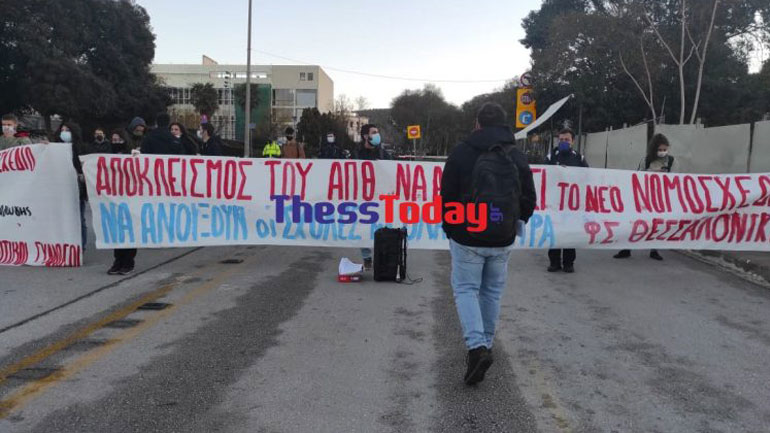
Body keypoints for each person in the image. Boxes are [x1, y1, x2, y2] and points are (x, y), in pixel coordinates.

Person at [441, 102, 537, 385]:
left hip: (466, 234)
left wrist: (451, 227)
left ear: (477, 123)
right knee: (492, 292)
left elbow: (447, 195)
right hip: (502, 236)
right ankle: (486, 344)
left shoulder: (461, 152)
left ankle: (477, 348)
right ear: (505, 124)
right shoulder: (516, 155)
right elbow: (529, 197)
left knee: (466, 290)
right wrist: (516, 221)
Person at [614, 133, 674, 261]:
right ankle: (626, 248)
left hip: (661, 199)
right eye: (660, 149)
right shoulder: (646, 161)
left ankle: (654, 250)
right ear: (654, 149)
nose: (663, 152)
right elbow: (637, 177)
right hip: (644, 197)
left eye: (665, 149)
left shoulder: (671, 161)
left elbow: (677, 179)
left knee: (656, 224)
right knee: (635, 223)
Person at [545, 128, 588, 273]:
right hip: (554, 202)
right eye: (561, 139)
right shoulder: (551, 157)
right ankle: (554, 262)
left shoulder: (579, 158)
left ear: (572, 141)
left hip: (572, 203)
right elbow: (543, 175)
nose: (563, 142)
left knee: (570, 232)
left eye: (567, 140)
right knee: (555, 232)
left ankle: (569, 263)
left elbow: (587, 176)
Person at [106, 129, 138, 275]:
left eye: (118, 140)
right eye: (113, 140)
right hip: (113, 198)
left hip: (129, 197)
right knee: (117, 231)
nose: (116, 142)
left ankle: (128, 262)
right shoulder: (107, 155)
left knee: (129, 230)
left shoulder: (132, 155)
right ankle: (118, 261)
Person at [355, 123, 386, 270]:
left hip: (380, 196)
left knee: (382, 228)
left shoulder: (383, 153)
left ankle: (382, 258)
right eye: (374, 132)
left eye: (377, 132)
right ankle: (367, 257)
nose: (377, 135)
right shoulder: (357, 153)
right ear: (365, 136)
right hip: (362, 196)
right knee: (363, 227)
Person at [54, 122, 88, 250]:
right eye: (62, 130)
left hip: (77, 188)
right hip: (60, 188)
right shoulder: (55, 147)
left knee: (79, 219)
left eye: (67, 130)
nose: (64, 132)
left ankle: (80, 248)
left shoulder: (81, 148)